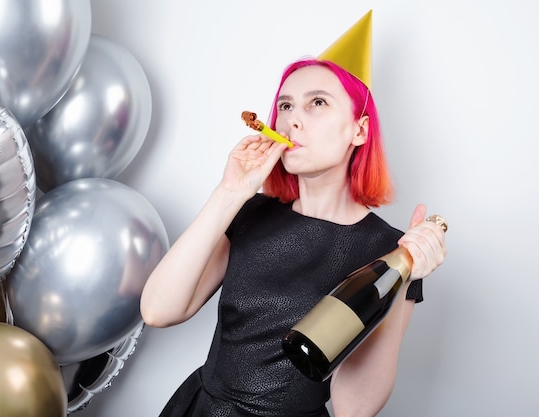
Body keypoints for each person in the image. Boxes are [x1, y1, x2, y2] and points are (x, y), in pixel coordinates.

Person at [140, 12, 447, 417]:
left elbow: (354, 409)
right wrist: (229, 193)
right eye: (285, 105)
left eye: (317, 102)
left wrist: (405, 272)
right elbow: (159, 310)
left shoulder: (388, 250)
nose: (291, 119)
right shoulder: (251, 212)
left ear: (359, 130)